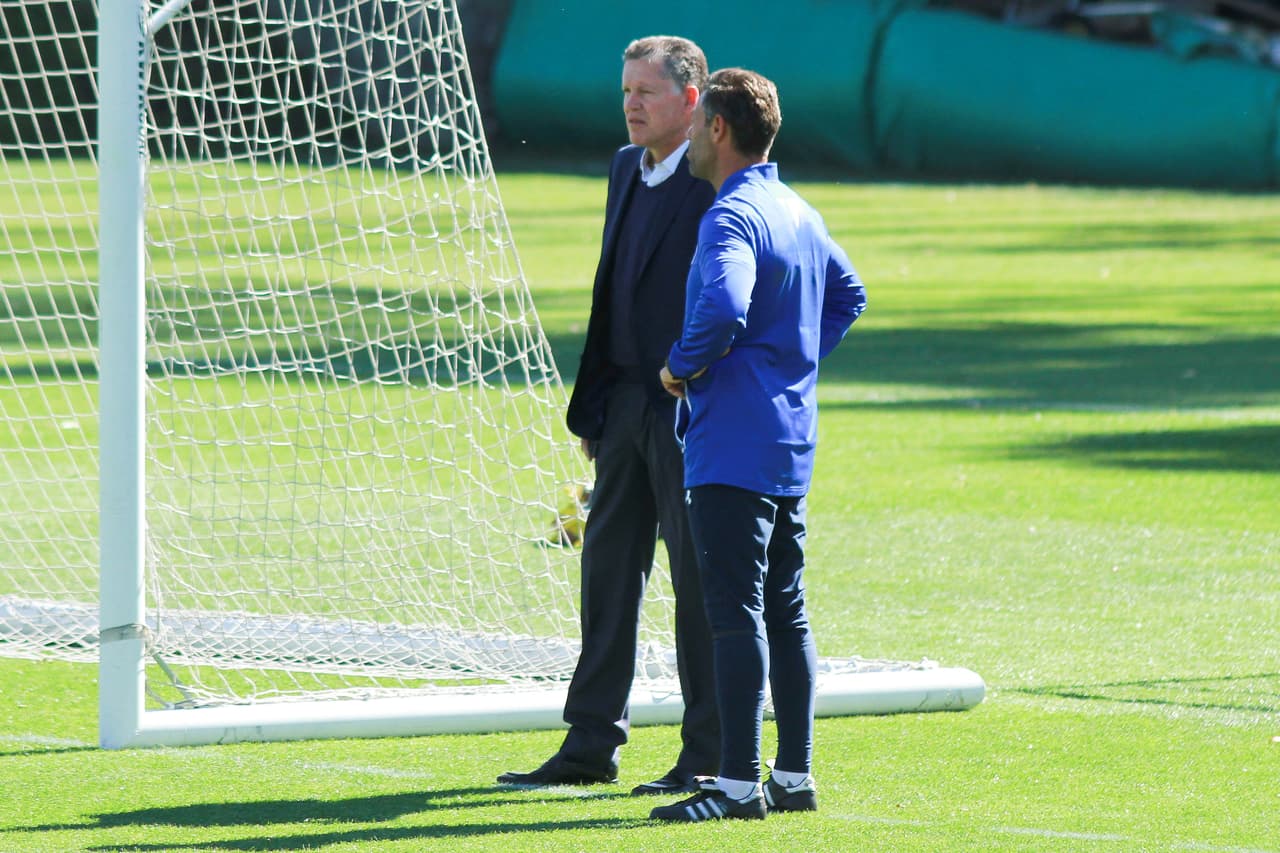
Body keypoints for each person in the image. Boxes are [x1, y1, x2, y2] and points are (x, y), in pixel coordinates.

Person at [497, 36, 720, 795]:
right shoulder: (626, 166)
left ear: (691, 101)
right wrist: (594, 404)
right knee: (606, 578)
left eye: (645, 92)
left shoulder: (717, 178)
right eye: (625, 90)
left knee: (699, 586)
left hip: (688, 410)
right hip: (621, 405)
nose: (630, 103)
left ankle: (710, 751)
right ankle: (590, 744)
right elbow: (609, 292)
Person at [650, 68, 867, 822]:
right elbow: (849, 294)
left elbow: (726, 303)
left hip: (733, 444)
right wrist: (791, 362)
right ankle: (794, 776)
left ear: (716, 129)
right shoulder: (799, 210)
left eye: (697, 119)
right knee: (787, 608)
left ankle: (737, 784)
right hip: (789, 440)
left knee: (733, 610)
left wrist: (682, 363)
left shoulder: (731, 215)